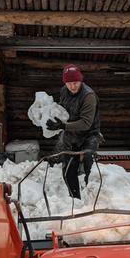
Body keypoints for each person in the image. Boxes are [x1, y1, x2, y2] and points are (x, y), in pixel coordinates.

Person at [46, 64, 101, 199]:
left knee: (90, 168)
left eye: (75, 83)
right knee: (68, 172)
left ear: (80, 80)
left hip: (89, 135)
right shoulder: (64, 91)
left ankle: (93, 200)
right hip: (72, 136)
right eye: (69, 83)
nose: (72, 86)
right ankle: (75, 200)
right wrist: (52, 117)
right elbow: (62, 110)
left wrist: (63, 126)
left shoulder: (89, 96)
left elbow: (86, 123)